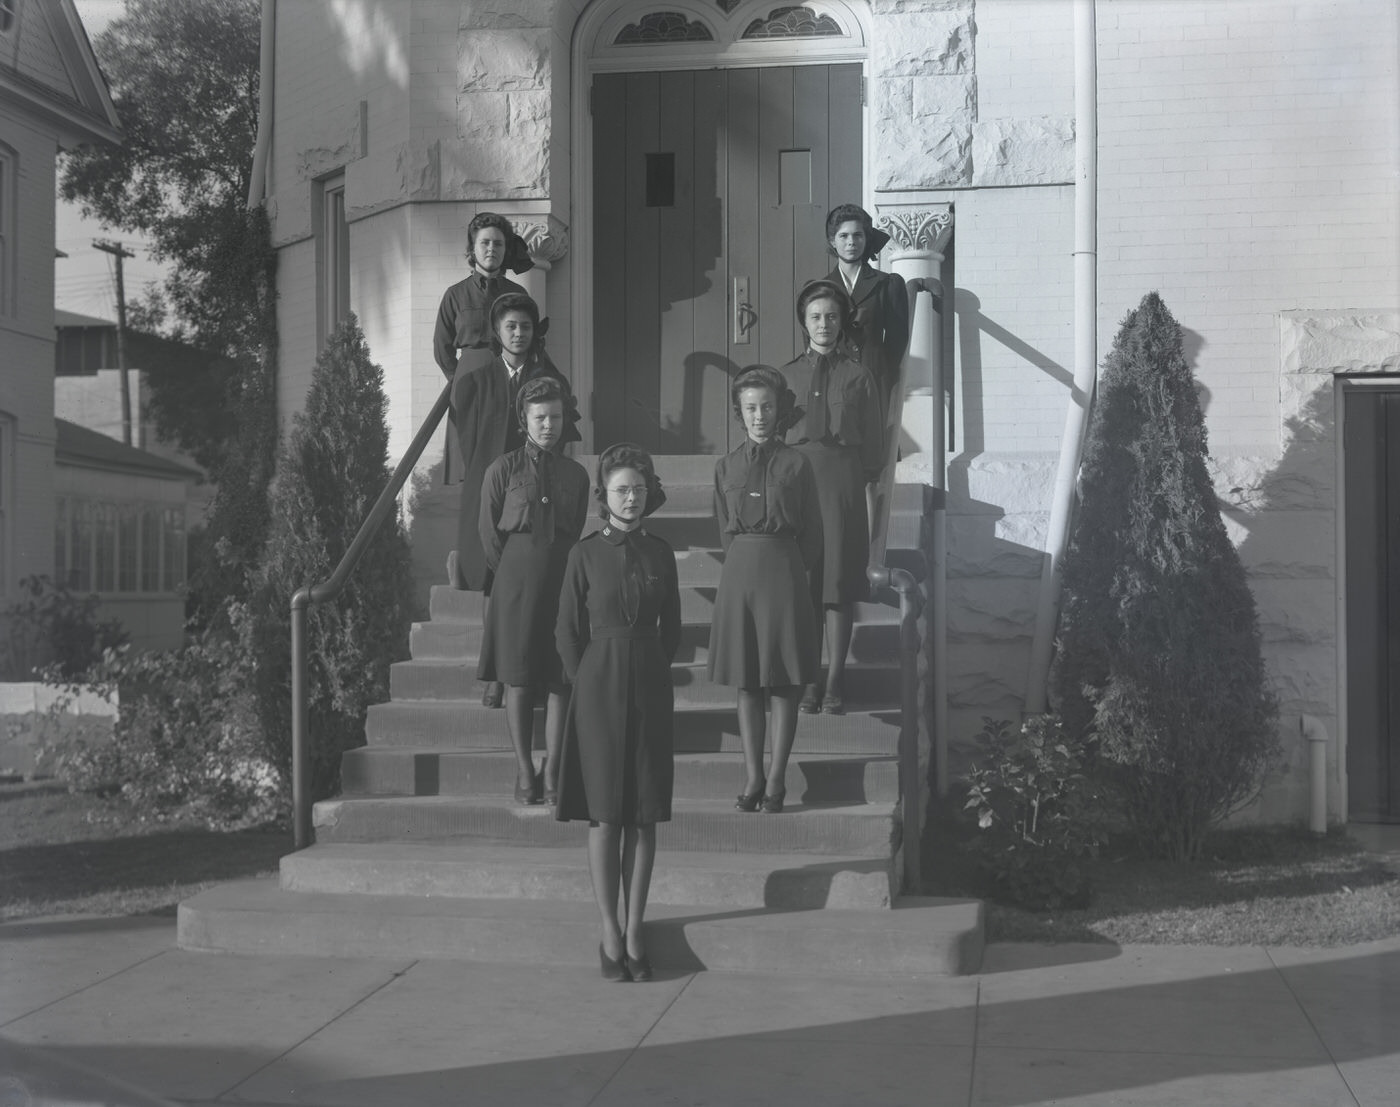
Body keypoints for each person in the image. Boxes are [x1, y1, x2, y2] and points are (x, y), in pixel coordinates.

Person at [555, 444, 680, 982]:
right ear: (604, 498)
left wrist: (647, 664)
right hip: (598, 686)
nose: (632, 498)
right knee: (606, 814)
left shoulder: (661, 552)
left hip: (649, 683)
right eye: (621, 490)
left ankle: (635, 929)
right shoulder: (583, 554)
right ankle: (609, 927)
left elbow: (671, 629)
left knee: (644, 814)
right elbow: (566, 631)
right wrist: (588, 677)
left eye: (639, 489)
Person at [445, 285, 580, 708]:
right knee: (491, 577)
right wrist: (487, 470)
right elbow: (465, 428)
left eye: (524, 326)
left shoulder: (547, 380)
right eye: (510, 326)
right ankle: (498, 675)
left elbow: (563, 426)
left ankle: (532, 664)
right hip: (493, 481)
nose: (518, 333)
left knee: (541, 586)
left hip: (534, 484)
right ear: (496, 332)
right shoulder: (479, 378)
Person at [708, 366, 822, 814]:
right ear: (740, 412)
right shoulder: (725, 466)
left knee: (784, 683)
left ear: (780, 410)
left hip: (784, 571)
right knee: (748, 681)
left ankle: (777, 779)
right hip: (741, 573)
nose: (760, 416)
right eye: (751, 408)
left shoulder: (798, 464)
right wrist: (745, 560)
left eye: (767, 407)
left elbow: (813, 532)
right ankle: (753, 775)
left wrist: (789, 566)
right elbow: (723, 528)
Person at [478, 377, 590, 806]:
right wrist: (514, 571)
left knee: (561, 677)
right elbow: (489, 535)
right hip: (516, 582)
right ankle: (525, 771)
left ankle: (554, 770)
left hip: (562, 578)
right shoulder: (502, 470)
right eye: (540, 417)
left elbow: (576, 525)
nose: (548, 425)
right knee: (521, 679)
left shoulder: (575, 474)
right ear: (524, 421)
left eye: (555, 417)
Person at [781, 281, 884, 716]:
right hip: (798, 482)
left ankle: (835, 680)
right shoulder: (784, 376)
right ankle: (807, 680)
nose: (824, 324)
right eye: (815, 317)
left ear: (842, 322)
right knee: (805, 587)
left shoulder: (858, 376)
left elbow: (874, 449)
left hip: (842, 482)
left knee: (837, 585)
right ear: (804, 323)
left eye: (832, 316)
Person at [823, 203, 910, 411]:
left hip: (875, 384)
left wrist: (881, 376)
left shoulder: (887, 284)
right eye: (843, 236)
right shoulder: (822, 289)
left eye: (858, 235)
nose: (851, 242)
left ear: (866, 238)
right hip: (834, 385)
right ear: (832, 241)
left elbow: (897, 342)